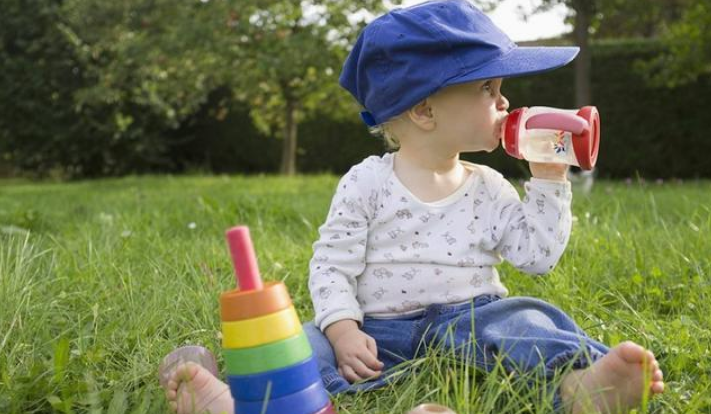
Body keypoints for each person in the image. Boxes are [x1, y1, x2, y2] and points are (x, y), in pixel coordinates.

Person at [161, 1, 664, 413]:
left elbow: (537, 258)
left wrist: (550, 181)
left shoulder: (489, 186)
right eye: (487, 88)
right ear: (425, 110)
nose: (506, 103)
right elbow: (333, 264)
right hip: (377, 329)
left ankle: (580, 387)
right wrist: (342, 329)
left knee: (527, 322)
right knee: (303, 344)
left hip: (472, 318)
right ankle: (230, 403)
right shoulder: (366, 182)